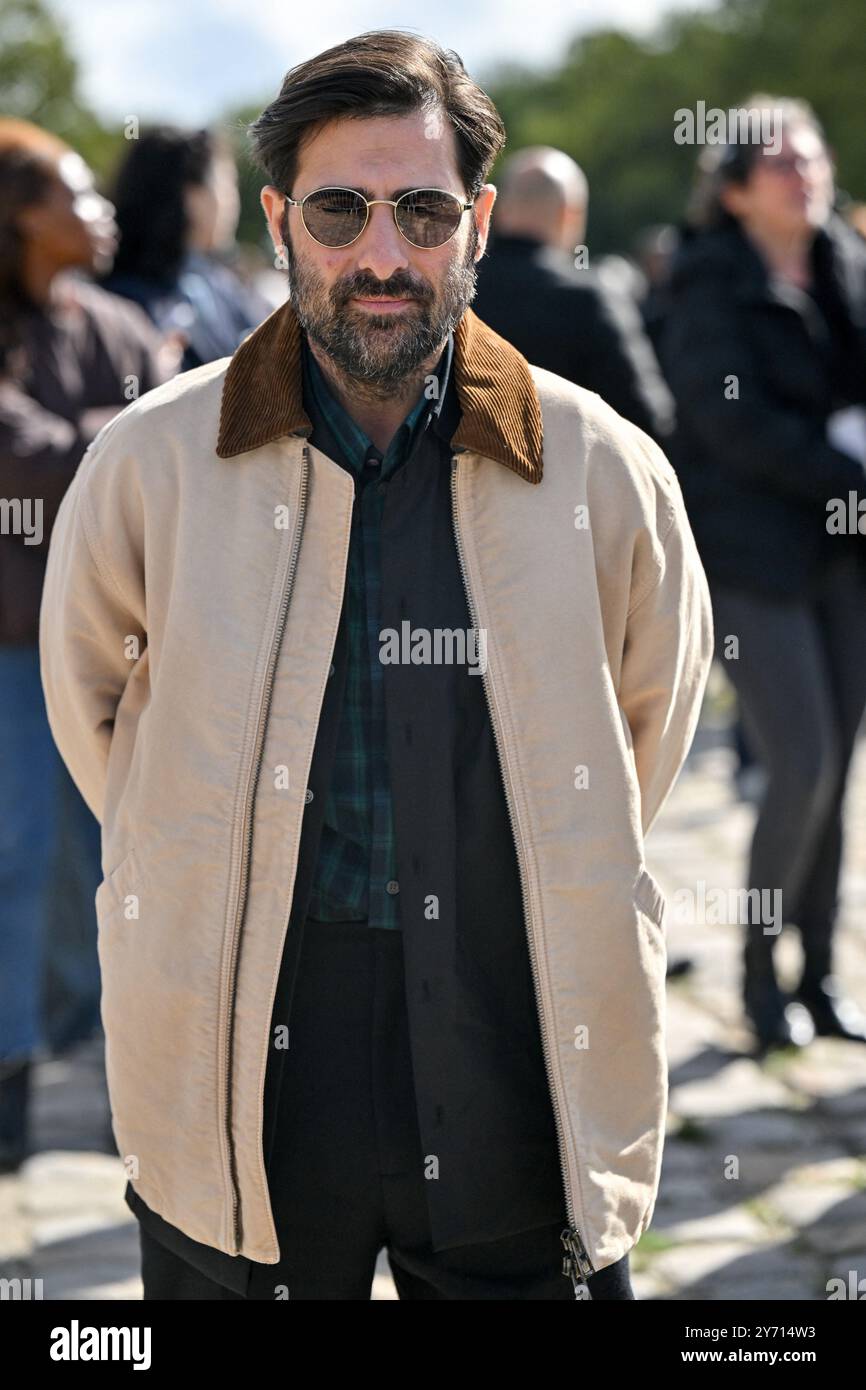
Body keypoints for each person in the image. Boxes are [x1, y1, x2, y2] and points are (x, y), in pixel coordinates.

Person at [40, 30, 713, 1300]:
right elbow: (96, 714)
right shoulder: (152, 463)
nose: (383, 254)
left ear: (479, 222)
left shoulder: (601, 465)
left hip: (513, 1025)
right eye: (341, 209)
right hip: (247, 1032)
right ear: (280, 218)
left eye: (422, 209)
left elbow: (646, 722)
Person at [659, 95, 866, 1053]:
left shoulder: (843, 262)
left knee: (839, 774)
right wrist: (847, 466)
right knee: (802, 764)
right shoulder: (706, 282)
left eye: (813, 156)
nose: (807, 173)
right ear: (737, 191)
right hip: (751, 555)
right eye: (783, 162)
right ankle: (757, 977)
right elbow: (723, 423)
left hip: (843, 551)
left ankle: (819, 979)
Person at [0, 119, 170, 1169]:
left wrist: (108, 435)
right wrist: (124, 426)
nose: (100, 211)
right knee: (19, 857)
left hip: (120, 641)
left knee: (118, 856)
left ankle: (128, 1073)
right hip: (14, 645)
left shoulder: (111, 321)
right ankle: (12, 1079)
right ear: (19, 215)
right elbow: (18, 462)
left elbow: (164, 449)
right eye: (74, 195)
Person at [471, 146, 675, 441]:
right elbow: (647, 421)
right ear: (571, 215)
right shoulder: (590, 299)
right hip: (569, 482)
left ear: (497, 210)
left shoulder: (460, 293)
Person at [100, 125, 272, 370]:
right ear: (192, 196)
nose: (233, 202)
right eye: (227, 185)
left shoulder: (222, 285)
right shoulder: (128, 304)